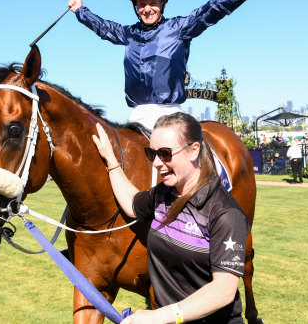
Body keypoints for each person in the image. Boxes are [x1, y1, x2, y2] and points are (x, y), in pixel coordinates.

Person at [68, 0, 271, 129]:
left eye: (153, 3)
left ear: (162, 4)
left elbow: (217, 7)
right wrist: (80, 10)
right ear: (136, 7)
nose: (147, 9)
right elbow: (104, 28)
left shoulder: (180, 28)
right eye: (142, 4)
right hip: (136, 115)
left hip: (170, 116)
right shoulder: (128, 33)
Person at [92, 112, 250, 323]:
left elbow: (223, 291)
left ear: (194, 150)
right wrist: (112, 161)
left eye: (165, 153)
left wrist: (160, 316)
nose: (156, 162)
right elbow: (131, 204)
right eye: (152, 153)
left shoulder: (225, 213)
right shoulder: (162, 195)